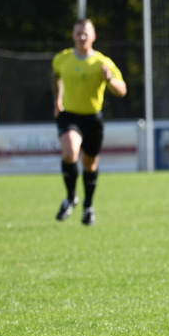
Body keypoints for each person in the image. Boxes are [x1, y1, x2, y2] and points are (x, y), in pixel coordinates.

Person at [51, 18, 127, 225]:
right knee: (69, 153)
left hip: (92, 118)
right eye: (78, 33)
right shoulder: (62, 59)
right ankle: (70, 197)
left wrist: (109, 79)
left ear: (93, 36)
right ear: (73, 35)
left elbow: (122, 90)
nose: (82, 37)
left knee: (90, 165)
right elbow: (56, 77)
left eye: (85, 33)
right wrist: (57, 100)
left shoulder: (103, 62)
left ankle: (88, 206)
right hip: (70, 116)